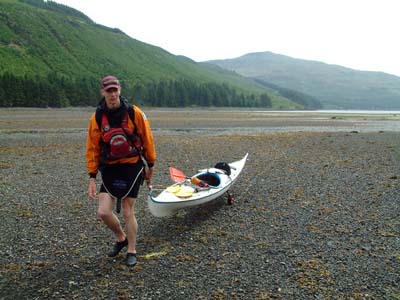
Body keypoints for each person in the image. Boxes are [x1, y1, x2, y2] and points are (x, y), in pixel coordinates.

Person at [86, 75, 156, 266]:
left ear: (120, 90)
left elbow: (147, 139)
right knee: (103, 211)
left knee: (127, 210)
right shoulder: (98, 117)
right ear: (103, 92)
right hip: (110, 167)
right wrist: (92, 176)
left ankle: (132, 250)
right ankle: (121, 238)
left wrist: (151, 165)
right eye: (109, 90)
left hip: (132, 166)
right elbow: (92, 147)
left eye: (115, 90)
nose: (113, 94)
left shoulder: (134, 113)